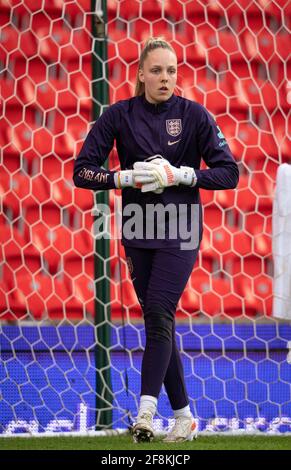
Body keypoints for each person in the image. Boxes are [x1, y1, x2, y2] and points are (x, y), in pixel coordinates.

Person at [73, 37, 239, 443]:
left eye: (171, 71)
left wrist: (182, 174)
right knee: (157, 320)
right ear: (141, 74)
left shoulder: (194, 116)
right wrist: (125, 177)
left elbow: (229, 173)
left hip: (179, 228)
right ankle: (184, 417)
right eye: (157, 70)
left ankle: (145, 413)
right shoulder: (118, 115)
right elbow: (82, 171)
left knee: (160, 311)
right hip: (137, 227)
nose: (165, 78)